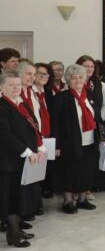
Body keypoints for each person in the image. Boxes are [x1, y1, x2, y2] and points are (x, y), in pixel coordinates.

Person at [0, 71, 43, 248]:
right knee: (10, 198)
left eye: (18, 84)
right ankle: (13, 234)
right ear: (1, 87)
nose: (15, 88)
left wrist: (40, 146)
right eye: (11, 85)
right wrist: (27, 151)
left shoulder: (21, 103)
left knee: (20, 196)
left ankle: (17, 228)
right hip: (9, 162)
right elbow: (5, 136)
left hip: (24, 159)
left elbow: (33, 127)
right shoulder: (2, 106)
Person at [52, 64, 99, 214]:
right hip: (69, 142)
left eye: (80, 77)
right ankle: (68, 201)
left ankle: (82, 199)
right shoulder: (61, 98)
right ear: (68, 80)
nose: (78, 80)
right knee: (69, 171)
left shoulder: (89, 95)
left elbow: (96, 117)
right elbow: (55, 123)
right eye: (74, 78)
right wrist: (57, 145)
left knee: (87, 170)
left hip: (89, 140)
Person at [76, 55, 105, 194]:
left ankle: (91, 186)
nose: (89, 69)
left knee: (93, 157)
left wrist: (97, 120)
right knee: (80, 158)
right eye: (86, 66)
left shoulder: (101, 85)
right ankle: (79, 188)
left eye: (92, 66)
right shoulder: (74, 84)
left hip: (96, 125)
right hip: (79, 127)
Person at [16, 61, 43, 220]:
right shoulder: (13, 93)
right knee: (19, 180)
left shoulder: (31, 92)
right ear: (18, 74)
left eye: (34, 74)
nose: (32, 77)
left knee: (32, 177)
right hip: (20, 142)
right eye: (28, 74)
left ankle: (29, 208)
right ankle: (17, 214)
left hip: (34, 139)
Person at [32, 63, 54, 199]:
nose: (43, 76)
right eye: (39, 73)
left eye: (46, 74)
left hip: (48, 134)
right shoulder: (29, 92)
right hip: (35, 135)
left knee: (46, 165)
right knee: (35, 168)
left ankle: (45, 189)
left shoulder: (48, 92)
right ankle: (35, 198)